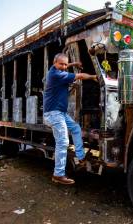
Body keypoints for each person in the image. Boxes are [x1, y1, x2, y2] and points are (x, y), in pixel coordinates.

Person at [43, 53, 96, 185]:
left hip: (60, 113)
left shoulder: (53, 69)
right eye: (62, 64)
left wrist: (74, 64)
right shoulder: (56, 75)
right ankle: (58, 174)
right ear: (55, 63)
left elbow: (64, 65)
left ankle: (81, 156)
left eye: (66, 64)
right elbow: (79, 76)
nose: (64, 66)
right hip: (53, 113)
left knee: (76, 128)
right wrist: (94, 76)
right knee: (63, 141)